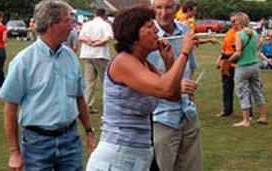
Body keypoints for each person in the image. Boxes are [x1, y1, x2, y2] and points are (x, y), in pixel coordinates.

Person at [86, 5, 197, 171]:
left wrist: (169, 62)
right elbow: (165, 89)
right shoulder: (123, 62)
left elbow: (173, 96)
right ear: (133, 34)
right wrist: (184, 53)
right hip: (117, 158)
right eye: (150, 27)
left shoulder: (145, 64)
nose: (157, 33)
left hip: (138, 156)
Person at [0, 1, 95, 170]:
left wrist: (89, 131)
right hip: (36, 143)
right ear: (52, 25)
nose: (72, 27)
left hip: (70, 140)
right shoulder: (23, 61)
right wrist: (14, 152)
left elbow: (79, 98)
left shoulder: (71, 57)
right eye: (67, 21)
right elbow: (10, 109)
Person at [148, 0, 203, 170]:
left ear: (177, 9)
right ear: (152, 9)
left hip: (187, 113)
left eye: (168, 7)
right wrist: (176, 86)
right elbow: (144, 82)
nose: (163, 13)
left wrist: (189, 93)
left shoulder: (184, 30)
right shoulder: (147, 36)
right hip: (161, 117)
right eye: (158, 7)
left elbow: (190, 68)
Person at [229, 12, 268, 127]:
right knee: (257, 91)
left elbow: (238, 52)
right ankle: (262, 116)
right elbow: (256, 48)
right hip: (254, 65)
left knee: (243, 92)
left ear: (239, 22)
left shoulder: (239, 34)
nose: (234, 22)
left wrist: (229, 60)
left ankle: (246, 120)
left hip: (243, 67)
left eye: (235, 21)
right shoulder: (254, 33)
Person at [78, 8, 113, 114]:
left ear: (95, 14)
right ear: (104, 15)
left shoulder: (87, 24)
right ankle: (109, 104)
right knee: (106, 81)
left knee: (89, 82)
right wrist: (98, 43)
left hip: (87, 54)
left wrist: (88, 41)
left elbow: (80, 37)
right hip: (100, 54)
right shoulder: (105, 25)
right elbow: (108, 38)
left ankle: (87, 105)